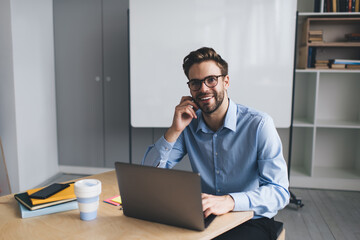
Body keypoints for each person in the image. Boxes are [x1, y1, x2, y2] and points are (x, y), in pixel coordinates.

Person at [142, 47, 289, 240]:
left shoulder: (259, 125)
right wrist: (174, 130)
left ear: (226, 81)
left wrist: (230, 201)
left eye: (211, 80)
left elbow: (279, 192)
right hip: (204, 216)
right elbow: (148, 175)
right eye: (196, 83)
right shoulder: (188, 124)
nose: (203, 89)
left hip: (249, 217)